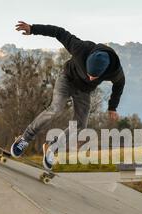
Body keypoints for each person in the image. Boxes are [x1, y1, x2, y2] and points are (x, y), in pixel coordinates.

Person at [11, 21, 126, 170]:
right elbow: (59, 32)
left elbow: (119, 85)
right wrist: (33, 29)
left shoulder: (115, 70)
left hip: (84, 91)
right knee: (56, 109)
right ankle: (25, 138)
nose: (91, 77)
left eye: (94, 76)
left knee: (80, 125)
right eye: (89, 73)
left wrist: (112, 107)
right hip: (66, 79)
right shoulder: (80, 48)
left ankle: (53, 147)